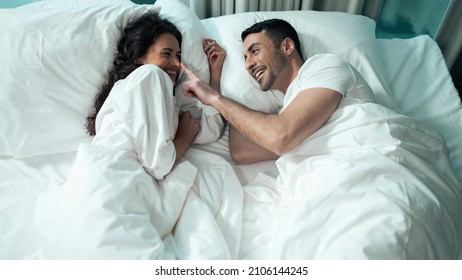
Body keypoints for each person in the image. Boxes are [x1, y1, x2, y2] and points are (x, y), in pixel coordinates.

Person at [181, 18, 374, 163]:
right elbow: (241, 151)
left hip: (366, 162)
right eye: (245, 58)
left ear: (287, 46)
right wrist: (217, 78)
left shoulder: (326, 65)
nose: (248, 64)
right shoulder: (284, 112)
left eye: (255, 51)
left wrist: (214, 98)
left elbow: (280, 137)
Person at [84, 12, 226, 179]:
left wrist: (215, 74)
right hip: (112, 175)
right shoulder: (150, 75)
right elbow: (158, 165)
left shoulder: (168, 102)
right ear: (139, 57)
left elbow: (212, 131)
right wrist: (183, 139)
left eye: (178, 56)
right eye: (166, 53)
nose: (176, 63)